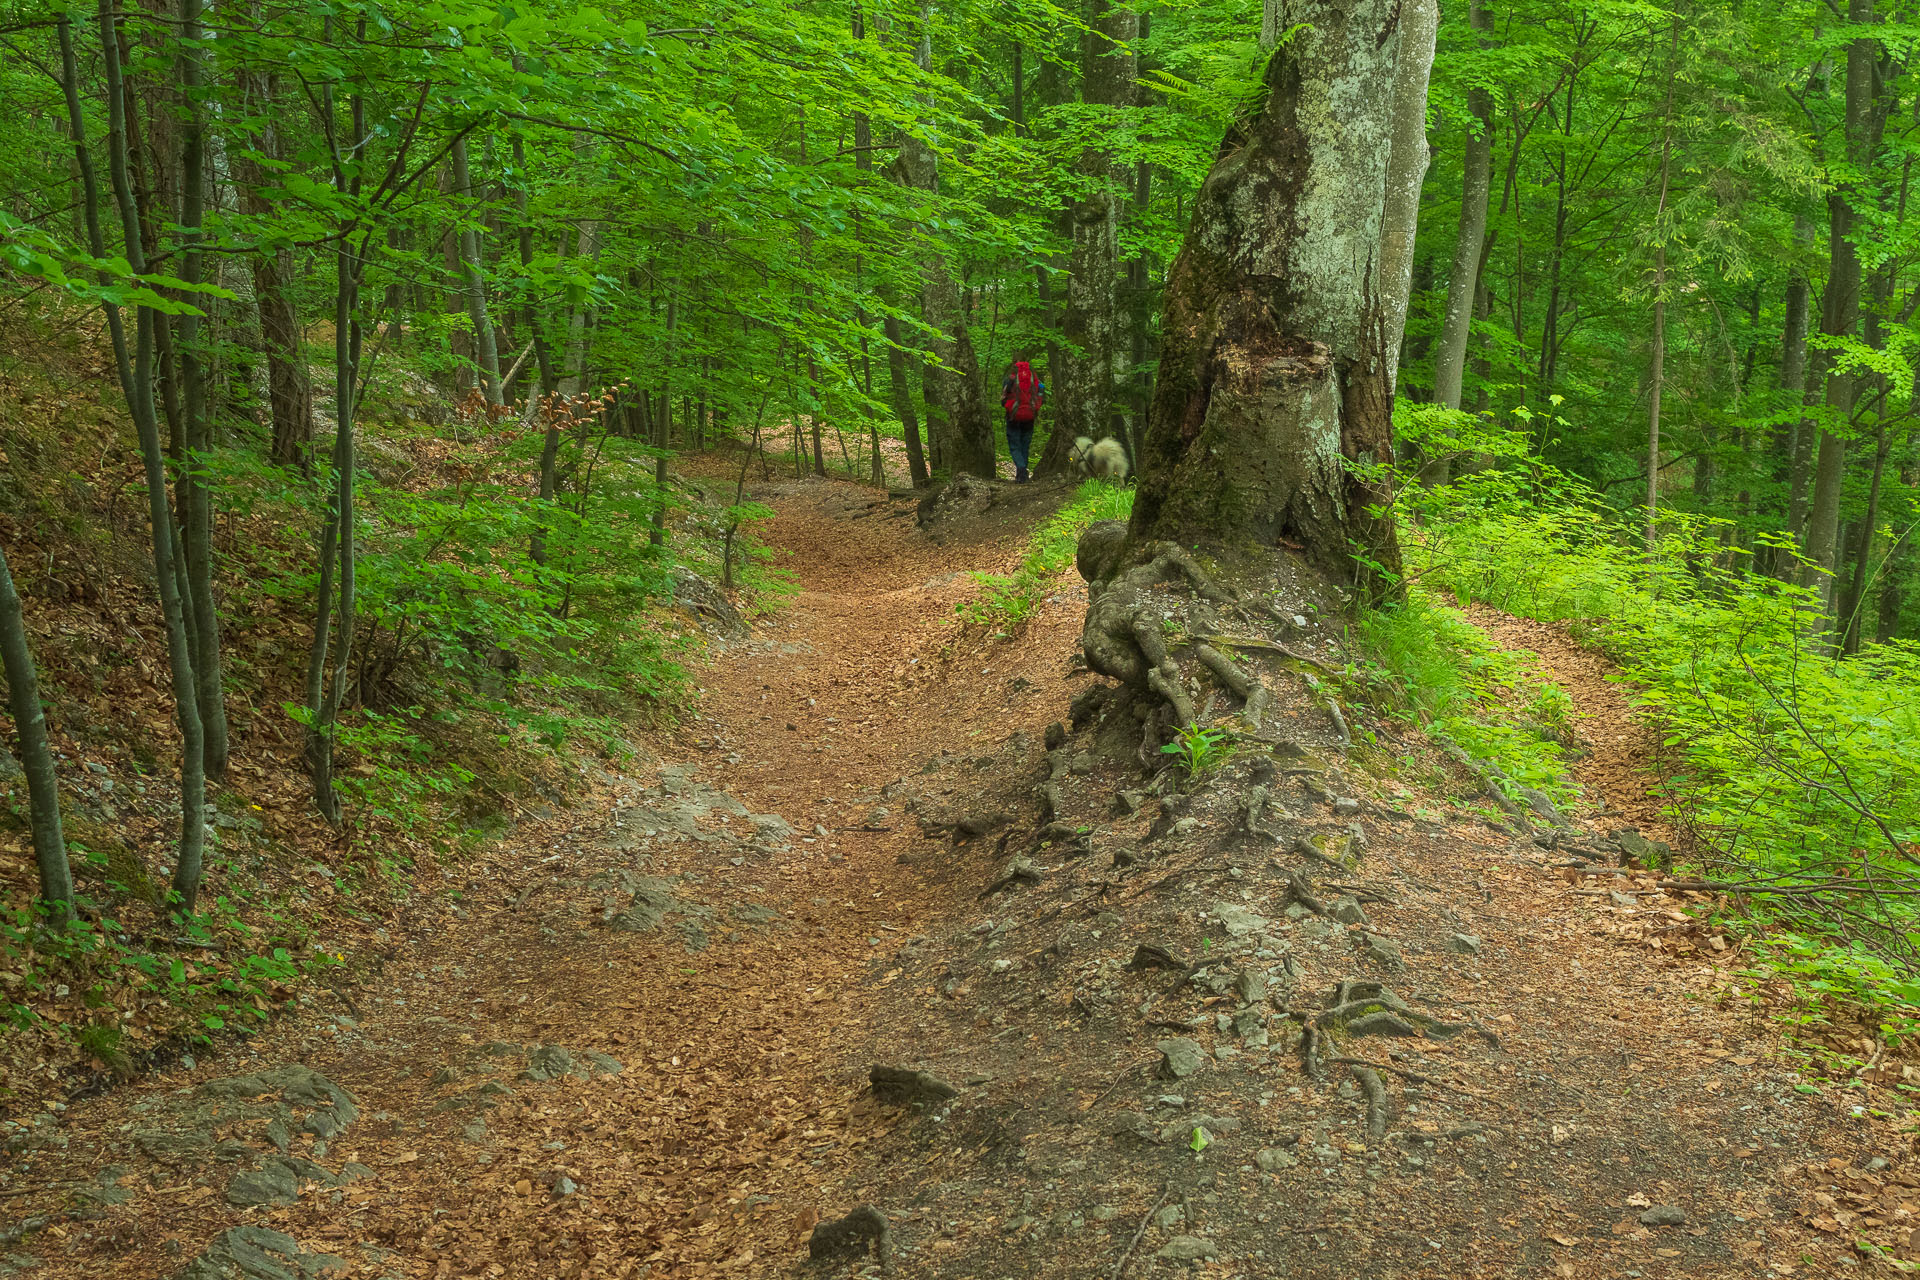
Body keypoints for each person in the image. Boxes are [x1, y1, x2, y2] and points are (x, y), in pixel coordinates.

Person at [1000, 357, 1045, 483]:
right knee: (1025, 445)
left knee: (1015, 445)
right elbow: (1041, 395)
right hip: (1030, 416)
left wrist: (1009, 406)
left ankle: (1021, 469)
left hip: (1013, 416)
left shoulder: (1010, 380)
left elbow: (1003, 400)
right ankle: (1023, 475)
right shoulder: (1035, 381)